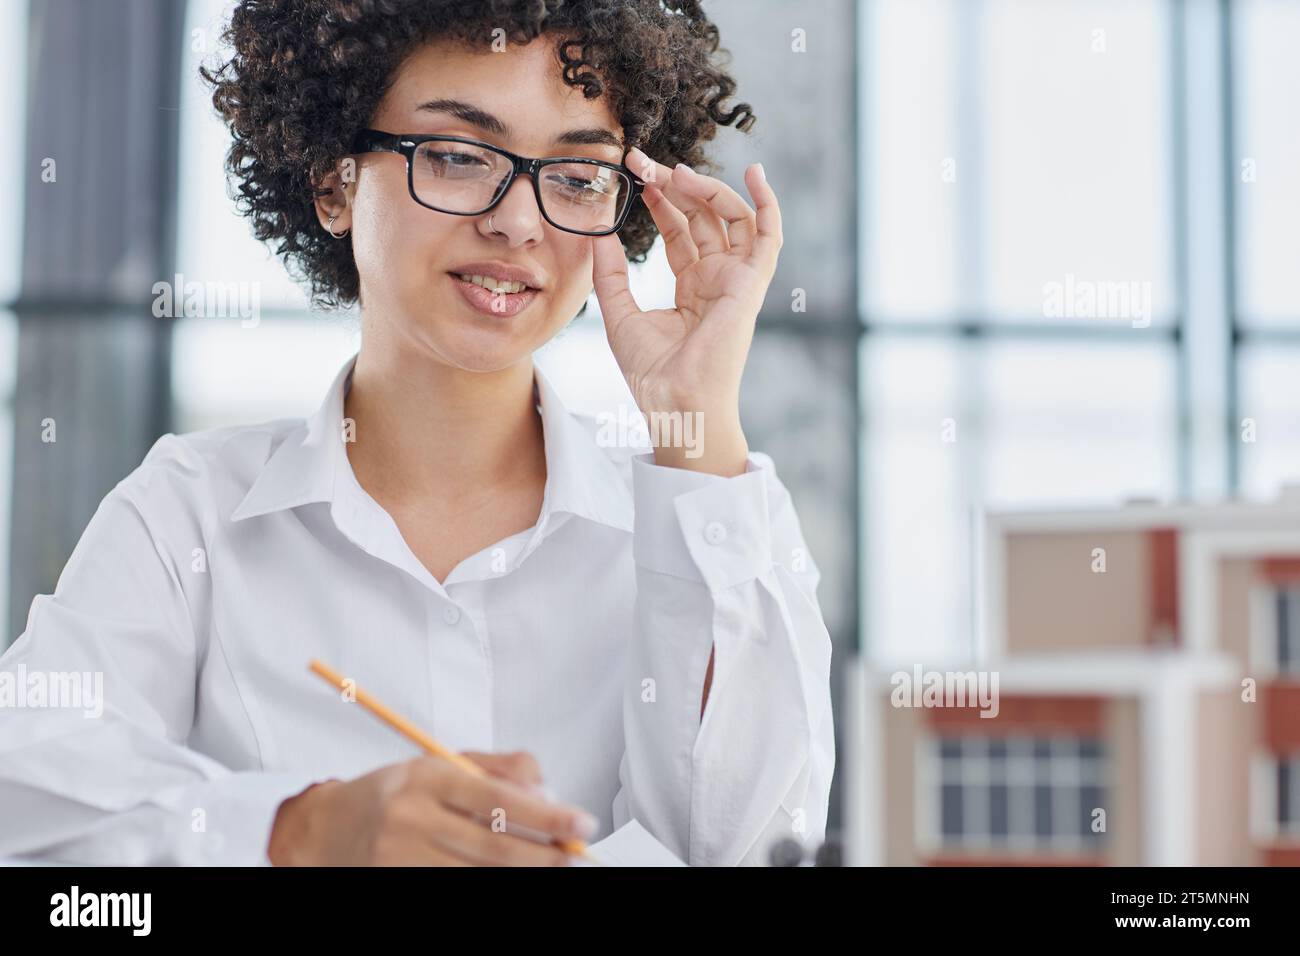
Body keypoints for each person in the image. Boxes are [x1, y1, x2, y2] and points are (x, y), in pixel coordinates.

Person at [0, 0, 834, 866]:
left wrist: (694, 416)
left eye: (578, 177)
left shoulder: (711, 513)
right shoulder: (189, 515)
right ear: (334, 183)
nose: (518, 223)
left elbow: (751, 849)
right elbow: (25, 797)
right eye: (459, 156)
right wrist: (300, 830)